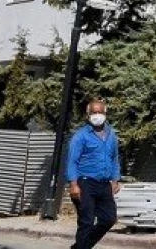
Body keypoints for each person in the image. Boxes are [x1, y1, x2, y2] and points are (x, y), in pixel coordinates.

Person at [66, 99, 122, 249]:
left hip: (104, 184)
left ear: (105, 113)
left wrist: (115, 179)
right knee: (86, 222)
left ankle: (80, 247)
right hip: (85, 183)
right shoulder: (81, 136)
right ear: (88, 115)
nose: (97, 115)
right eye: (94, 112)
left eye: (100, 112)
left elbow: (115, 158)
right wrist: (73, 184)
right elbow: (72, 161)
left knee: (109, 219)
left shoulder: (111, 135)